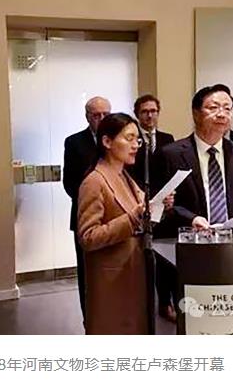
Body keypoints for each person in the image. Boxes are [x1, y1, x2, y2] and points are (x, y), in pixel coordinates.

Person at [77, 113, 172, 334]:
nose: (135, 145)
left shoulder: (125, 176)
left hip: (133, 273)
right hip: (111, 279)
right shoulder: (94, 181)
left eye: (137, 139)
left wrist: (159, 206)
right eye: (128, 138)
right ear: (107, 141)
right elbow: (88, 237)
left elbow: (142, 217)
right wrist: (132, 217)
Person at [158, 84, 233, 230]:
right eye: (214, 108)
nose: (221, 114)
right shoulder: (171, 155)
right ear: (196, 114)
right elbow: (163, 203)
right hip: (191, 237)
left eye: (227, 109)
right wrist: (191, 218)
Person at [127, 94, 178, 322]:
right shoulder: (131, 140)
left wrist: (169, 197)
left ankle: (167, 303)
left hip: (164, 209)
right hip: (139, 207)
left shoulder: (168, 139)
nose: (150, 115)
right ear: (137, 114)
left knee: (167, 260)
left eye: (153, 111)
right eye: (145, 111)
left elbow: (170, 172)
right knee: (145, 261)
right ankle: (145, 305)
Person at [62, 96, 111, 323]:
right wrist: (92, 201)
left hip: (115, 217)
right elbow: (69, 183)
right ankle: (89, 320)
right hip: (85, 217)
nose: (101, 119)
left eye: (105, 114)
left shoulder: (118, 140)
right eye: (96, 115)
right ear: (87, 117)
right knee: (87, 271)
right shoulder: (74, 142)